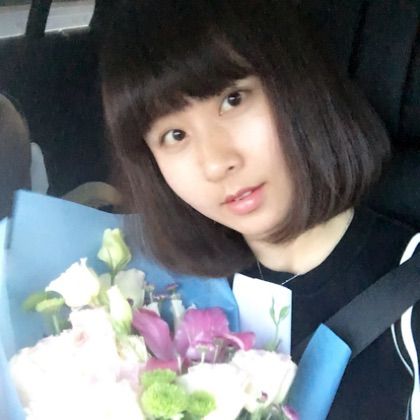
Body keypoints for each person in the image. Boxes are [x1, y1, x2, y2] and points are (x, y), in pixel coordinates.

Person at [99, 1, 419, 418]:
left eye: (232, 100)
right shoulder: (158, 302)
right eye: (174, 135)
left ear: (296, 86)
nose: (216, 162)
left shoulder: (408, 293)